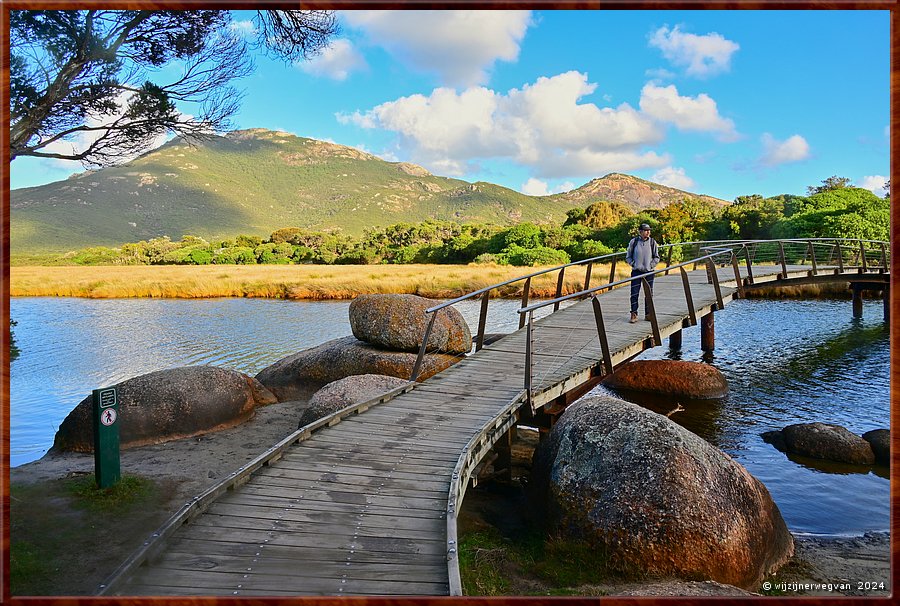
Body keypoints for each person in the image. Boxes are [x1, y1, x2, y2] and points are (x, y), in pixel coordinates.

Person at [625, 223, 660, 323]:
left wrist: (651, 266)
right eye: (645, 230)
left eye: (649, 230)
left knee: (649, 293)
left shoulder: (653, 242)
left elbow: (656, 257)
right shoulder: (634, 242)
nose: (648, 232)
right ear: (640, 232)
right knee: (634, 293)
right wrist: (633, 264)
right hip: (636, 271)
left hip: (649, 272)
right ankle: (634, 314)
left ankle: (648, 314)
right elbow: (628, 256)